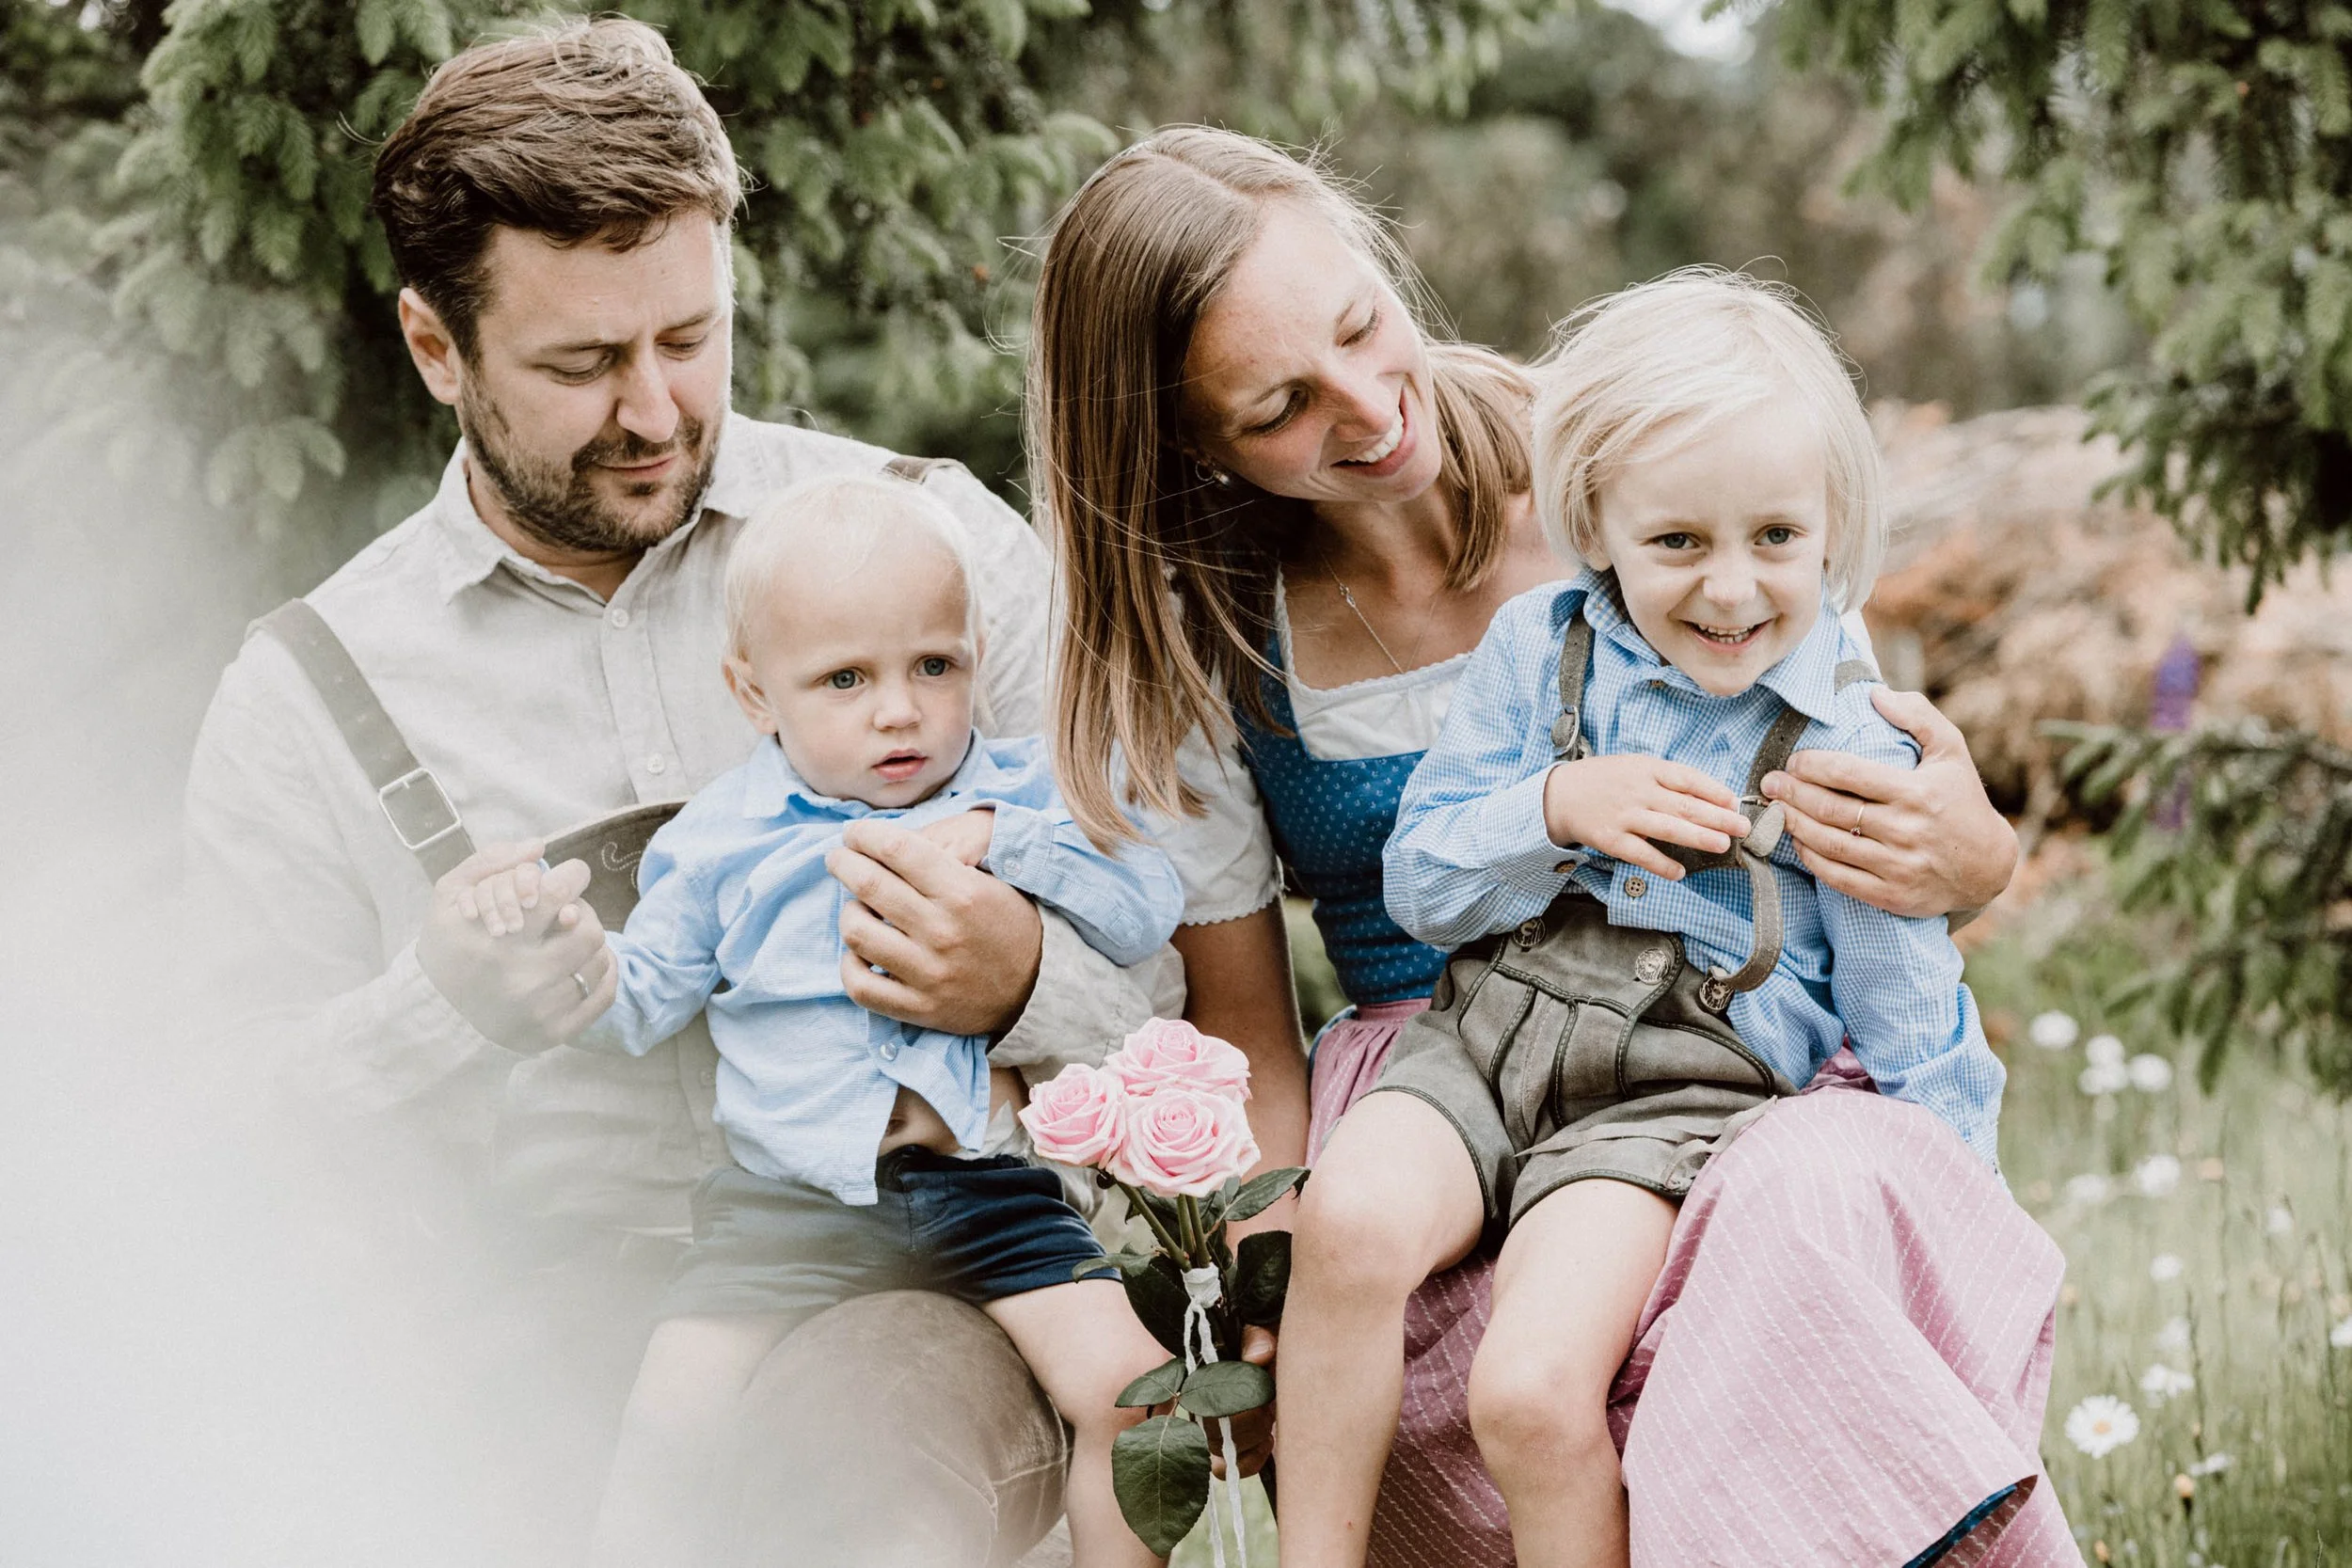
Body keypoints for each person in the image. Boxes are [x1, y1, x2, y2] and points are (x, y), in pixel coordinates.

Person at [183, 22, 1189, 1565]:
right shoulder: (308, 694)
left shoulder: (941, 555)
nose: (653, 409)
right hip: (508, 1344)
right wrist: (448, 1000)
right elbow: (225, 1145)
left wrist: (1025, 975)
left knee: (863, 1513)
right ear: (435, 348)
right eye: (582, 364)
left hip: (914, 1288)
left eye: (689, 338)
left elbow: (1164, 994)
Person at [1027, 127, 2075, 1566]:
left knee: (1762, 1241)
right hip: (1444, 1049)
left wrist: (1979, 860)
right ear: (1191, 443)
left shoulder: (1648, 466)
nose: (1366, 404)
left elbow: (1873, 811)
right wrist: (1251, 1276)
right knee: (1411, 1295)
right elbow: (1251, 1023)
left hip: (1707, 1050)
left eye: (1359, 323)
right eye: (1280, 403)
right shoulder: (1215, 628)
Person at [1277, 269, 2015, 1568]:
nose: (1731, 589)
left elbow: (1901, 977)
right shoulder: (1536, 646)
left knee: (1531, 1388)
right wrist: (1554, 803)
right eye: (1678, 541)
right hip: (1486, 1030)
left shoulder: (1848, 730)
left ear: (1833, 527)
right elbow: (1422, 884)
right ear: (1593, 524)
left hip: (1666, 1092)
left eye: (1776, 539)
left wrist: (1958, 1189)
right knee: (1346, 1222)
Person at [453, 474, 1179, 1568]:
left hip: (983, 1189)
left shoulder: (1023, 797)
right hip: (783, 1204)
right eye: (845, 677)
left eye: (934, 664)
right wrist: (568, 964)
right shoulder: (718, 840)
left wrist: (1002, 836)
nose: (900, 708)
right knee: (662, 1428)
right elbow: (645, 1000)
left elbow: (1144, 907)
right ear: (755, 693)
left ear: (977, 649)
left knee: (1134, 1395)